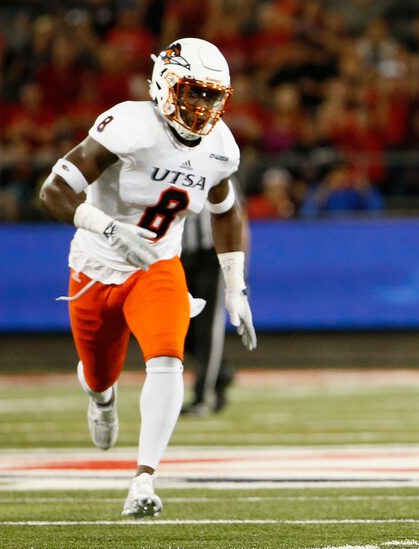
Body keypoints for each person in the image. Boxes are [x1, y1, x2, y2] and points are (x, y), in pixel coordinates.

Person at [39, 37, 257, 518]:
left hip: (158, 265)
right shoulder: (131, 125)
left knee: (167, 360)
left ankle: (144, 479)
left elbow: (226, 211)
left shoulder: (220, 147)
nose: (202, 107)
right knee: (99, 374)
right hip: (95, 267)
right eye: (193, 92)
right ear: (164, 84)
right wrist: (108, 227)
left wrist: (236, 285)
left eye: (211, 96)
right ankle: (102, 398)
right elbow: (54, 190)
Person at [179, 185, 246, 416]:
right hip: (178, 256)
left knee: (207, 327)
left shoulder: (218, 164)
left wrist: (236, 274)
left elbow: (236, 218)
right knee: (179, 327)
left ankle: (202, 397)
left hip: (212, 255)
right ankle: (221, 373)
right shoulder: (167, 163)